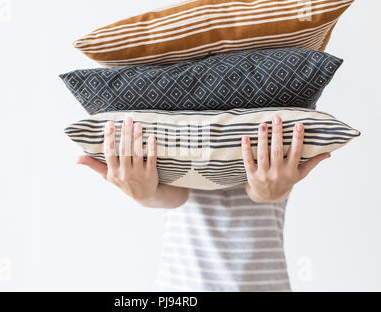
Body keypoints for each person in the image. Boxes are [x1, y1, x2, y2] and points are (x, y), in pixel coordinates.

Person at [77, 116, 330, 292]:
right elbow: (177, 196)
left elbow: (266, 192)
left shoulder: (277, 105)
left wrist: (274, 191)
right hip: (183, 286)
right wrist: (143, 194)